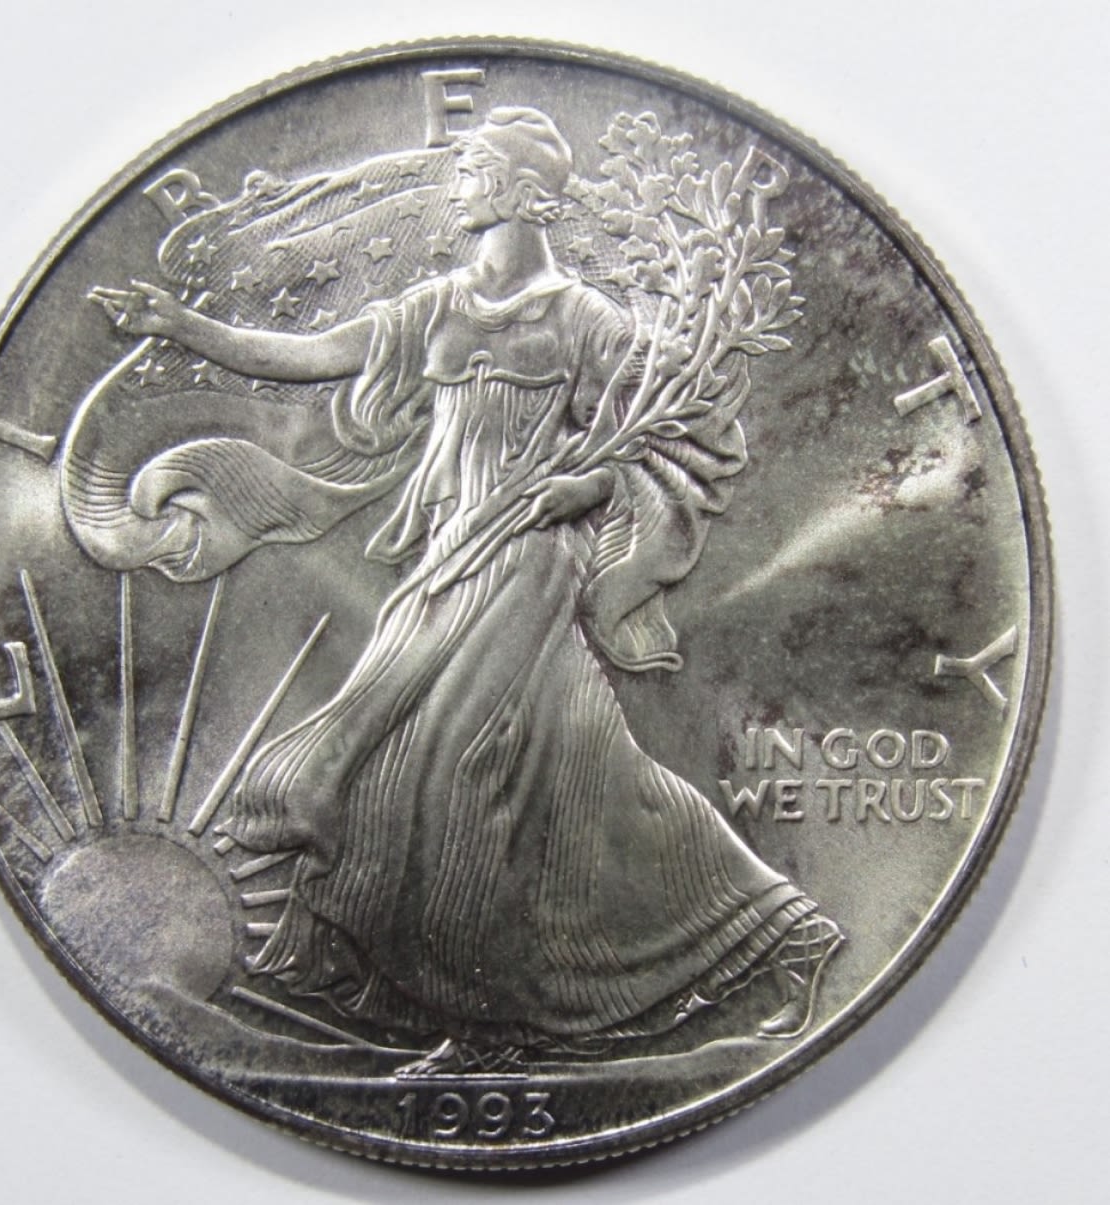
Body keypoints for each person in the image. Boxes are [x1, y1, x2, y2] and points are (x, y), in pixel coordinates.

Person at [92, 107, 841, 1073]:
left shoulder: (587, 320)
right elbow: (313, 356)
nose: (458, 181)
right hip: (451, 552)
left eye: (477, 167)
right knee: (575, 773)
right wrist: (181, 326)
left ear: (524, 192)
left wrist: (586, 487)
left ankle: (484, 1023)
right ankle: (778, 935)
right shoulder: (436, 306)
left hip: (530, 560)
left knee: (455, 768)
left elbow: (679, 441)